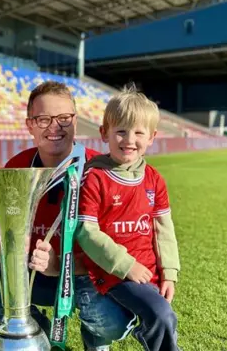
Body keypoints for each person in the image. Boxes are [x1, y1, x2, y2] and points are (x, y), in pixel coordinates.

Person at [0, 81, 135, 351]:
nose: (54, 127)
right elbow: (11, 240)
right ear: (29, 125)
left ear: (76, 121)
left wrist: (62, 266)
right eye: (43, 119)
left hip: (88, 276)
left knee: (110, 321)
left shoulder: (102, 170)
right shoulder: (15, 168)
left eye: (64, 118)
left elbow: (117, 250)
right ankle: (35, 331)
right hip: (33, 272)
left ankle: (95, 340)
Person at [75, 85, 181, 351]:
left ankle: (93, 341)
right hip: (114, 271)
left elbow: (163, 229)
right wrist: (125, 264)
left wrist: (169, 273)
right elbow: (86, 231)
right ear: (104, 133)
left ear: (152, 137)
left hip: (149, 272)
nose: (129, 140)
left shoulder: (154, 179)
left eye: (138, 133)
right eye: (120, 131)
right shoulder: (95, 177)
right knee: (162, 316)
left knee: (158, 314)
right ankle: (96, 336)